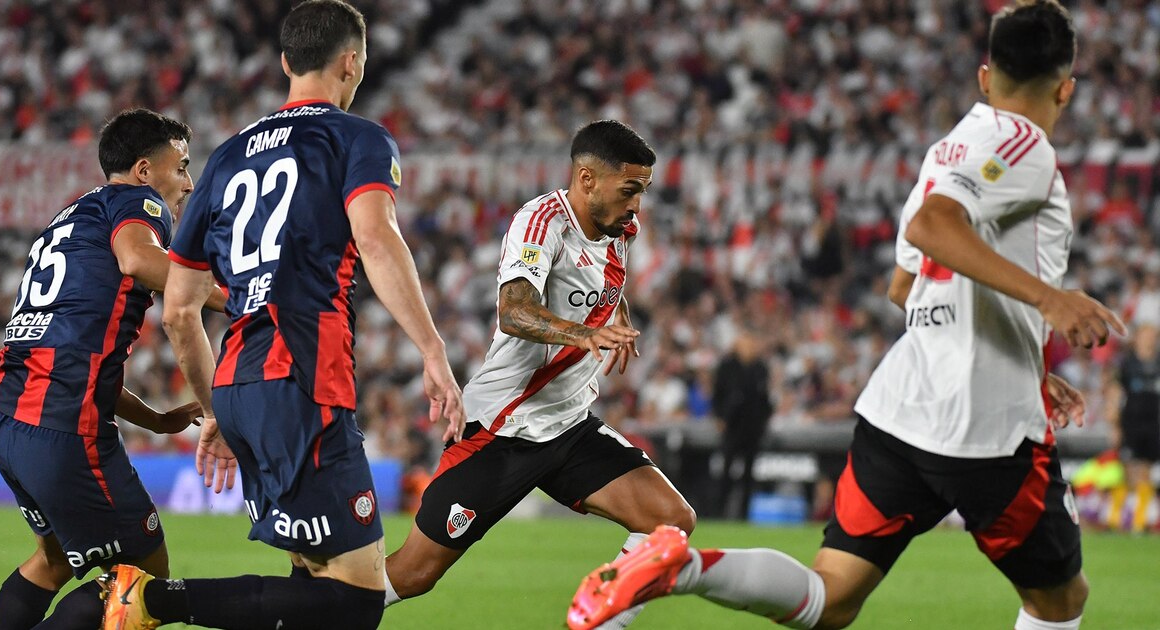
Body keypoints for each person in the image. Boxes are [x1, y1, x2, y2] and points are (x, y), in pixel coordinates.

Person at [567, 3, 1125, 630]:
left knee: (830, 598)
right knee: (1059, 601)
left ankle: (680, 567)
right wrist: (1052, 303)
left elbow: (903, 285)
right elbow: (932, 229)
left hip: (901, 411)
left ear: (984, 76)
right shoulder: (1026, 147)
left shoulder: (949, 150)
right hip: (983, 428)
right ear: (1066, 88)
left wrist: (1019, 354)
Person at [98, 1, 465, 629]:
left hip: (240, 387)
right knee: (355, 598)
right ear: (353, 62)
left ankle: (147, 600)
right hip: (302, 383)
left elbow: (182, 311)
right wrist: (433, 350)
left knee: (313, 581)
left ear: (286, 62)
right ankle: (149, 600)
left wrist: (216, 409)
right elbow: (375, 239)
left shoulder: (225, 158)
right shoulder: (356, 138)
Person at [383, 119, 696, 630]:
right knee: (414, 574)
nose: (638, 204)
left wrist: (617, 315)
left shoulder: (621, 228)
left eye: (644, 190)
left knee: (671, 521)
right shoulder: (541, 222)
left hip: (569, 426)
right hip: (505, 428)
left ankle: (598, 621)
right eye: (630, 189)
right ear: (587, 179)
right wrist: (582, 334)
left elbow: (602, 277)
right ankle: (315, 611)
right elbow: (514, 311)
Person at [0, 108, 224, 630]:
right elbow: (140, 259)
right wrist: (232, 297)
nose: (187, 182)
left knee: (51, 562)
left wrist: (156, 421)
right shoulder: (140, 203)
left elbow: (71, 350)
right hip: (63, 426)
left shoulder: (70, 216)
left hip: (7, 415)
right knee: (143, 581)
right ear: (143, 170)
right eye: (180, 166)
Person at [711, 328, 773, 519]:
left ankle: (744, 515)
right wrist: (719, 417)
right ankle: (719, 512)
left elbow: (764, 398)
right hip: (732, 426)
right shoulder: (727, 366)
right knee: (726, 472)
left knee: (748, 474)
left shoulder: (760, 368)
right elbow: (717, 395)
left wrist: (764, 421)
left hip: (752, 427)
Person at [1107, 324, 1160, 532]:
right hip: (1131, 423)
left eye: (1152, 336)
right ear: (1137, 338)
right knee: (1127, 470)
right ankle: (1117, 519)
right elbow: (1116, 392)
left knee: (1146, 471)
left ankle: (1138, 523)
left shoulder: (1157, 363)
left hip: (1153, 424)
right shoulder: (1128, 364)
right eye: (1145, 335)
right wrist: (1114, 424)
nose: (1149, 340)